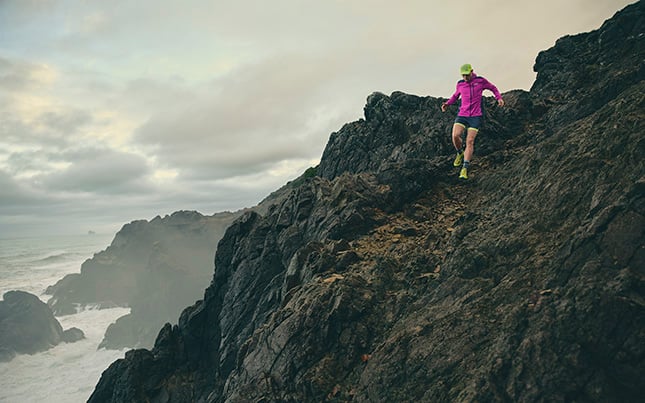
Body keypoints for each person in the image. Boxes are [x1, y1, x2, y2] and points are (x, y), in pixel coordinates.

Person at [441, 63, 504, 179]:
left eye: (467, 75)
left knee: (469, 141)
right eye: (463, 76)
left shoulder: (480, 81)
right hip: (462, 114)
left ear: (472, 71)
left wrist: (499, 98)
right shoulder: (460, 84)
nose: (465, 78)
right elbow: (455, 96)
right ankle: (460, 153)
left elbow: (493, 88)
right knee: (455, 135)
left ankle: (464, 168)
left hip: (475, 116)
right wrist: (447, 104)